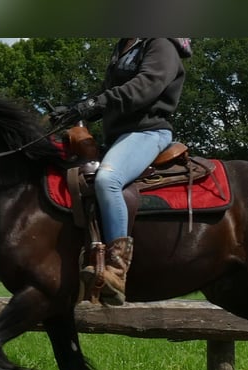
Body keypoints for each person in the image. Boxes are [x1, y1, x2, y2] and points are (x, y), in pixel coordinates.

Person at [52, 37, 192, 305]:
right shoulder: (124, 47)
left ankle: (116, 270)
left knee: (108, 179)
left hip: (148, 133)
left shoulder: (160, 42)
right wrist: (74, 110)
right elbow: (106, 94)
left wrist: (93, 105)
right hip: (118, 137)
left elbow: (145, 87)